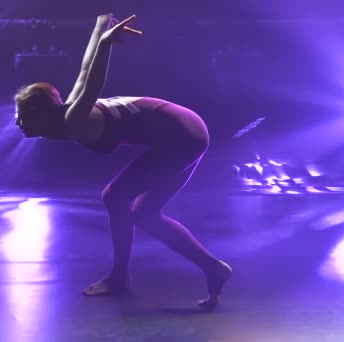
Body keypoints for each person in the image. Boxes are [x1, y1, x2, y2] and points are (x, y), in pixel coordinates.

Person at [14, 14, 232, 308]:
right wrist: (98, 27)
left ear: (42, 114)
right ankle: (214, 268)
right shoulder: (69, 111)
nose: (18, 122)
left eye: (24, 115)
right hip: (183, 132)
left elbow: (93, 83)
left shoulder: (74, 120)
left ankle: (119, 278)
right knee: (144, 213)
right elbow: (83, 72)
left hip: (183, 134)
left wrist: (105, 44)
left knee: (115, 197)